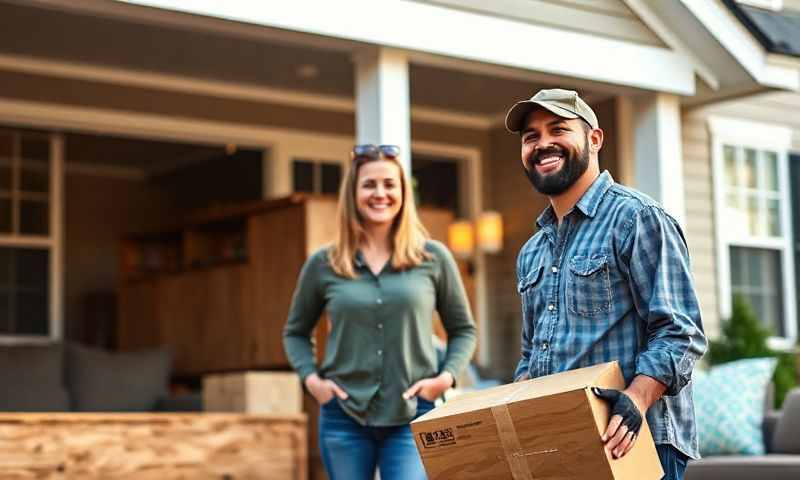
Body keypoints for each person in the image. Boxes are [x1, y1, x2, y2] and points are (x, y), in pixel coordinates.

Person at [504, 89, 707, 480]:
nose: (543, 143)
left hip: (636, 439)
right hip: (562, 446)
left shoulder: (636, 218)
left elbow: (680, 333)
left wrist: (636, 398)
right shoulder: (531, 252)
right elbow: (532, 355)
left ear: (594, 139)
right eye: (531, 136)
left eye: (558, 129)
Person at [283, 144, 477, 480]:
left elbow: (463, 330)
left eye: (389, 184)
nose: (380, 193)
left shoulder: (433, 258)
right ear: (353, 193)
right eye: (369, 184)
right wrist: (313, 382)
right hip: (343, 417)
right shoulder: (324, 263)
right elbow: (295, 333)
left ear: (403, 192)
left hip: (413, 413)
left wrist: (445, 378)